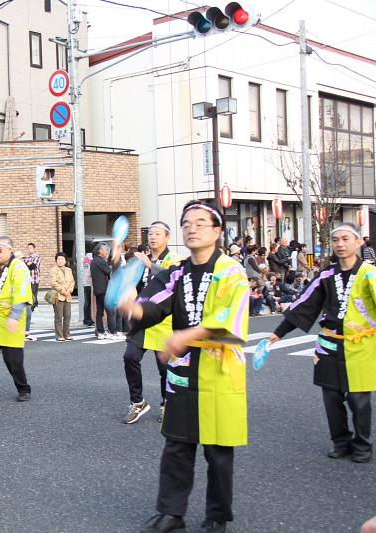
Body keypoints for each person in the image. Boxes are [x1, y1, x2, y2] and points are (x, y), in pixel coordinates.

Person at [121, 200, 249, 533]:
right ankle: (171, 513)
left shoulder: (231, 270)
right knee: (177, 445)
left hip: (218, 371)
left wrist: (188, 335)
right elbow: (155, 303)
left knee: (218, 452)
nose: (191, 228)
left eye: (200, 223)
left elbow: (230, 317)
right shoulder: (176, 271)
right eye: (186, 223)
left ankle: (218, 515)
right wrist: (134, 308)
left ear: (217, 231)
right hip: (183, 372)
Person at [268, 222, 376, 463]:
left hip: (360, 344)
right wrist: (279, 333)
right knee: (332, 398)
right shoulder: (326, 276)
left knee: (359, 400)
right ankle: (340, 442)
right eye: (336, 240)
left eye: (346, 239)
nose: (340, 244)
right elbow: (306, 305)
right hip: (329, 343)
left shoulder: (372, 275)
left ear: (358, 242)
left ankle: (362, 445)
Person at [122, 222, 182, 425]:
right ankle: (137, 402)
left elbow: (173, 280)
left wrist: (149, 264)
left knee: (164, 368)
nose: (153, 237)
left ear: (168, 237)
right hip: (144, 320)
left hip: (165, 321)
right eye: (151, 233)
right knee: (130, 357)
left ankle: (167, 404)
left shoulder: (174, 260)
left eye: (158, 233)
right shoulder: (143, 259)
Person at [0, 236, 32, 402]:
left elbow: (22, 292)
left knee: (13, 361)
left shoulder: (18, 267)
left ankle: (23, 388)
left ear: (10, 250)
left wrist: (14, 317)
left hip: (12, 319)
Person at [91, 242, 116, 339]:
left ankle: (101, 332)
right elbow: (109, 271)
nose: (107, 252)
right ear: (99, 251)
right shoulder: (100, 261)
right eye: (105, 250)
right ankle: (112, 332)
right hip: (104, 290)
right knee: (110, 311)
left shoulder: (94, 261)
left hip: (98, 290)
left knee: (100, 311)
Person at [50, 252, 75, 341]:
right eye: (58, 259)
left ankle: (67, 334)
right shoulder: (53, 270)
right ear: (56, 260)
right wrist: (63, 291)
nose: (60, 261)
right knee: (58, 316)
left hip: (68, 296)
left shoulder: (69, 270)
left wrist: (70, 290)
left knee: (67, 316)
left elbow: (72, 281)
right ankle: (59, 335)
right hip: (58, 296)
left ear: (65, 261)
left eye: (62, 259)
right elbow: (53, 283)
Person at [23, 243, 42, 342]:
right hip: (27, 282)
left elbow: (32, 266)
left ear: (34, 248)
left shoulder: (37, 256)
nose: (29, 249)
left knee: (33, 298)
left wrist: (27, 264)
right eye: (28, 248)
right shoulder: (26, 258)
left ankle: (32, 309)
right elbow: (25, 265)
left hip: (34, 280)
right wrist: (27, 264)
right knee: (28, 299)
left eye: (31, 247)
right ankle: (30, 310)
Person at [82, 252, 94, 326]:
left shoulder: (85, 259)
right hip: (90, 283)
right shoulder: (91, 259)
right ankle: (87, 320)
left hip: (85, 283)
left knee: (87, 302)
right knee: (89, 302)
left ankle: (87, 319)